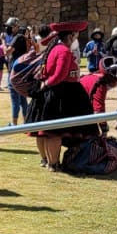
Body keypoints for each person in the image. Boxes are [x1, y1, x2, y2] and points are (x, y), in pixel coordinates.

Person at [26, 22, 90, 170]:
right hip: (62, 93)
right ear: (71, 35)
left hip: (54, 92)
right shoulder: (63, 51)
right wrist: (47, 84)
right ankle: (53, 163)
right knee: (54, 132)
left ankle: (46, 159)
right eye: (76, 34)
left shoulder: (55, 48)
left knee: (44, 131)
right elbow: (60, 74)